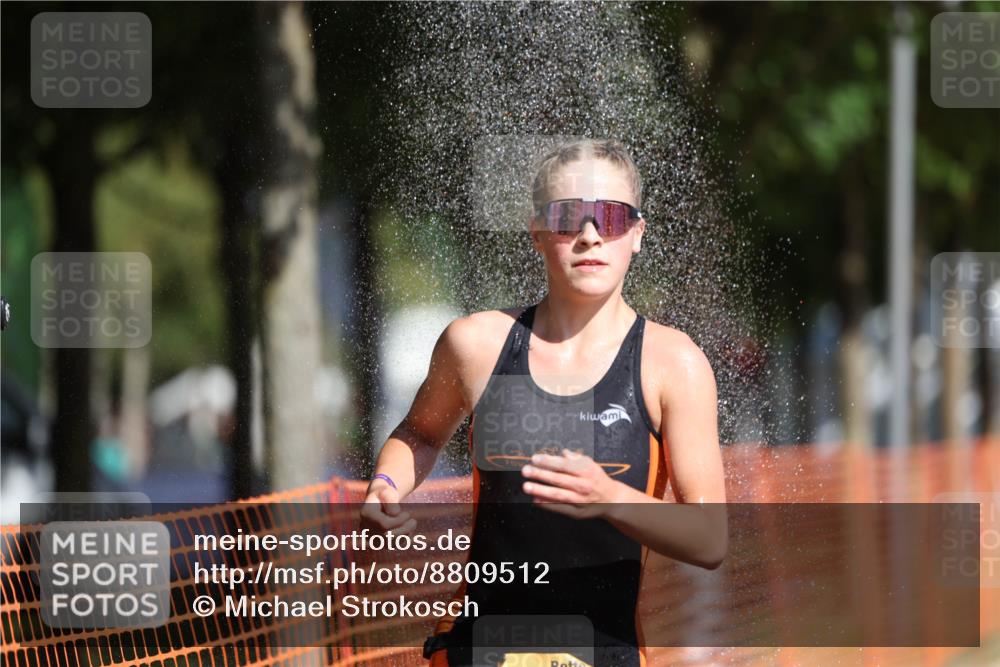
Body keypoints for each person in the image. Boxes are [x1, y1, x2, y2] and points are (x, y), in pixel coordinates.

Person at [361, 138, 728, 667]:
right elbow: (420, 433)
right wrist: (387, 484)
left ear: (638, 235)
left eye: (611, 216)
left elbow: (709, 536)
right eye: (567, 218)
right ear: (536, 231)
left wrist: (608, 498)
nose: (589, 235)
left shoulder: (672, 363)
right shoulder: (478, 345)